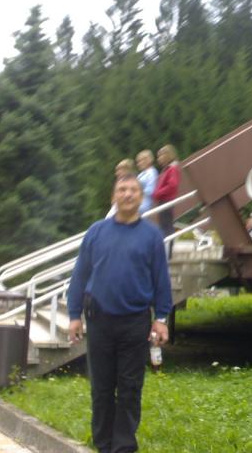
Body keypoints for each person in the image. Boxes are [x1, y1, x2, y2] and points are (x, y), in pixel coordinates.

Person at [67, 174, 172, 453]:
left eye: (133, 190)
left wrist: (161, 318)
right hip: (99, 320)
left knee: (130, 387)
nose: (127, 194)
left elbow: (161, 279)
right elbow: (80, 275)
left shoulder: (151, 236)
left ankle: (123, 446)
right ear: (114, 197)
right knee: (101, 388)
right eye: (122, 189)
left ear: (141, 197)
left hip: (135, 322)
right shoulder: (96, 232)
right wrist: (74, 315)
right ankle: (103, 444)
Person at [152, 144, 181, 238]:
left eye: (160, 156)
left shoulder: (172, 169)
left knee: (166, 226)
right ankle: (166, 244)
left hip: (167, 201)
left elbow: (172, 185)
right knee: (164, 225)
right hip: (163, 201)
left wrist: (158, 193)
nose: (158, 159)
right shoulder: (167, 169)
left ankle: (168, 245)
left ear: (168, 155)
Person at [135, 150, 158, 216]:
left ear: (147, 160)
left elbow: (151, 189)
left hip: (145, 203)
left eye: (140, 161)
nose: (138, 164)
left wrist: (138, 192)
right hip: (137, 202)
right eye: (137, 162)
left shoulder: (152, 172)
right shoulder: (141, 174)